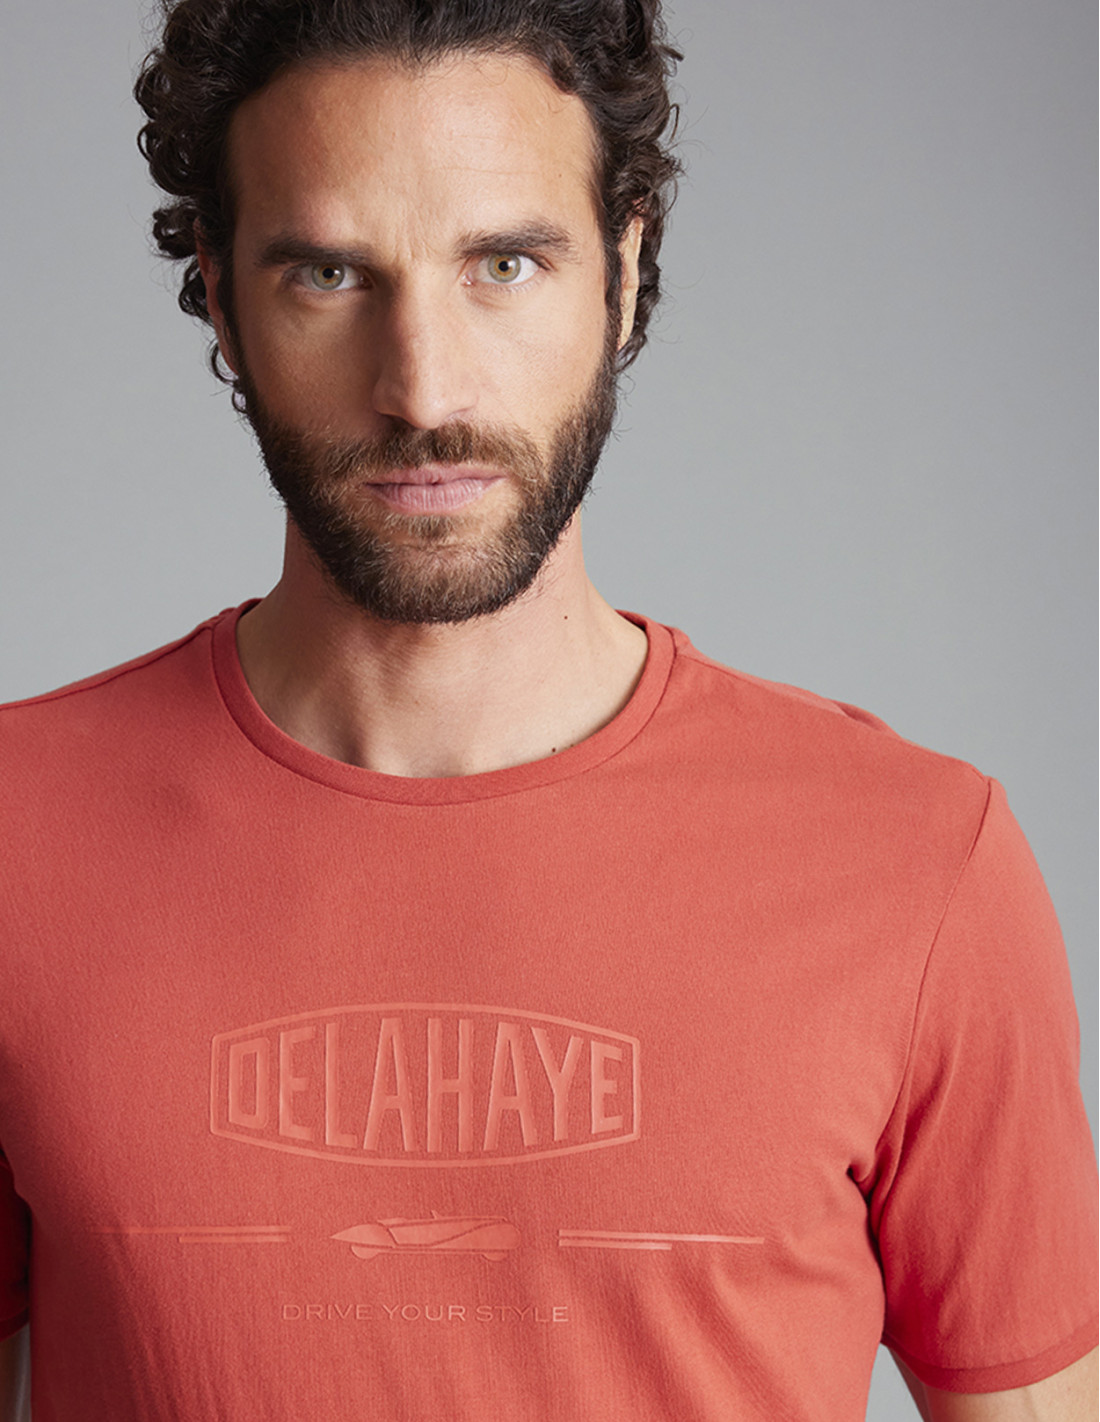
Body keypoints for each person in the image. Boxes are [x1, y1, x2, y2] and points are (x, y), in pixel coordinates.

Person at [0, 0, 1095, 1417]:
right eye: (329, 273)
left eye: (504, 264)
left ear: (624, 274)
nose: (422, 387)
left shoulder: (921, 864)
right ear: (219, 292)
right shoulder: (20, 839)